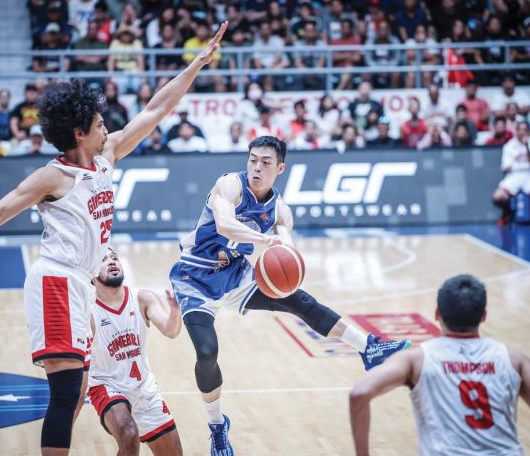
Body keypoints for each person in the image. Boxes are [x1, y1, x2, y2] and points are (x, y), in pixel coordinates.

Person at [0, 23, 227, 456]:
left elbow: (156, 109)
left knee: (76, 389)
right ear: (80, 133)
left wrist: (196, 64)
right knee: (67, 392)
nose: (109, 129)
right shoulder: (54, 175)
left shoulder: (106, 156)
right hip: (56, 279)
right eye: (101, 124)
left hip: (79, 285)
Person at [168, 135, 411, 455]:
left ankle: (369, 347)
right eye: (253, 160)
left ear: (279, 168)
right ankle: (217, 426)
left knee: (299, 298)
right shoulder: (230, 185)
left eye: (265, 163)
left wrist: (285, 256)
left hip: (235, 275)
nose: (257, 167)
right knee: (207, 352)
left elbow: (288, 249)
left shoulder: (280, 210)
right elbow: (225, 225)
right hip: (194, 277)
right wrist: (265, 242)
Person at [349, 274, 530, 456]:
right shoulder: (514, 359)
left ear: (437, 314)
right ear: (483, 316)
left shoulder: (416, 359)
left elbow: (359, 392)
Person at [87, 248, 183, 456]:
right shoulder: (89, 312)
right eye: (103, 260)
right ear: (92, 276)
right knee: (129, 434)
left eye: (114, 258)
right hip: (106, 385)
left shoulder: (142, 298)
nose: (112, 262)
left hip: (144, 388)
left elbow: (171, 330)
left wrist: (175, 311)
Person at [492, 121, 530, 225]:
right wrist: (521, 166)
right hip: (514, 176)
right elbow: (507, 167)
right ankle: (507, 212)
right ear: (516, 131)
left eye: (524, 130)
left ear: (529, 131)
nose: (522, 132)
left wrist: (527, 148)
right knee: (497, 197)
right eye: (519, 130)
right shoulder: (509, 146)